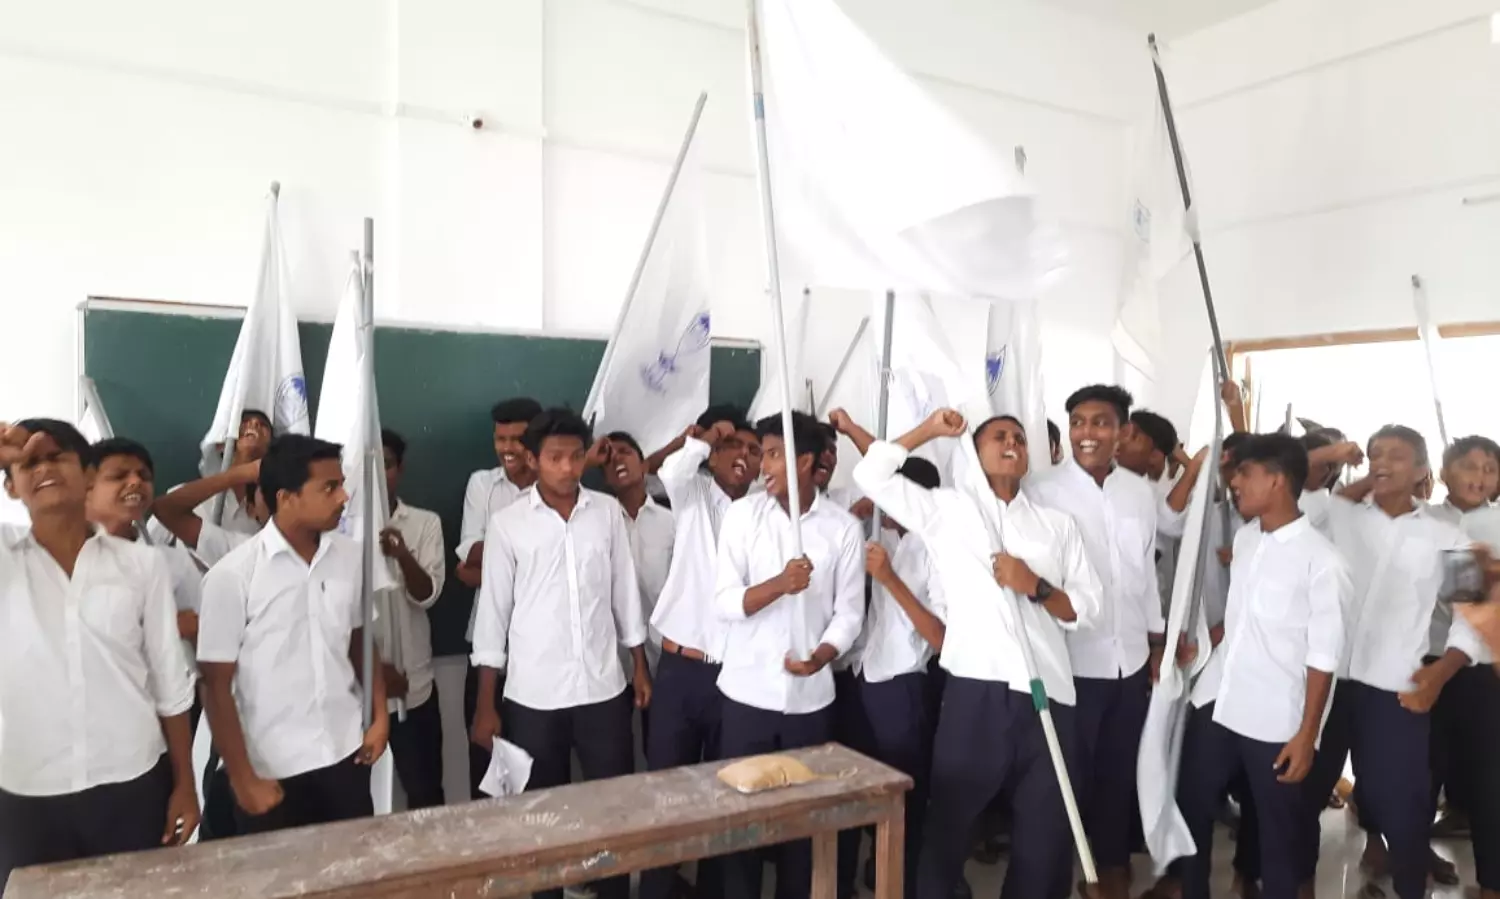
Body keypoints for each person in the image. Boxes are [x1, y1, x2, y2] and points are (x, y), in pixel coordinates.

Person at [853, 409, 1102, 899]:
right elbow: (871, 475)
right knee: (948, 827)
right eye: (999, 436)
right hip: (976, 691)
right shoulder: (948, 511)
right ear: (974, 451)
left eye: (1019, 438)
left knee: (1045, 836)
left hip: (1049, 693)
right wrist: (928, 430)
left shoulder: (1056, 526)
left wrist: (1035, 585)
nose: (1012, 443)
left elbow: (1087, 608)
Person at [0, 420, 198, 889]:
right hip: (28, 791)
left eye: (57, 456)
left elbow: (170, 683)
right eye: (29, 463)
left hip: (132, 781)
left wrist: (185, 784)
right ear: (10, 486)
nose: (44, 468)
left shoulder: (141, 564)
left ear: (87, 475)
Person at [469, 409, 648, 899]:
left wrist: (638, 664)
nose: (567, 468)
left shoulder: (606, 513)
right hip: (534, 695)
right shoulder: (508, 525)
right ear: (533, 459)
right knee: (541, 817)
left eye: (575, 456)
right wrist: (486, 704)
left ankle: (612, 892)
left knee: (611, 808)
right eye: (555, 458)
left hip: (602, 688)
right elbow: (493, 616)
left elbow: (624, 594)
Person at [1299, 425, 1476, 899]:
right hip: (1324, 681)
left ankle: (1411, 887)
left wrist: (1439, 673)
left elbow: (1474, 615)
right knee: (1304, 791)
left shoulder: (1449, 536)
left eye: (1396, 456)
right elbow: (1297, 477)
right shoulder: (1340, 515)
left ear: (1422, 471)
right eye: (1376, 454)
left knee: (1403, 801)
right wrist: (1339, 454)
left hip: (1395, 686)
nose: (1381, 462)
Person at [1174, 433, 1350, 899]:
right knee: (1191, 801)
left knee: (1277, 831)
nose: (1234, 483)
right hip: (1220, 698)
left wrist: (1307, 736)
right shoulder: (1247, 538)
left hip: (1275, 716)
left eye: (1244, 474)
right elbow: (1243, 618)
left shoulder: (1322, 561)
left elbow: (1323, 656)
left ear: (1277, 480)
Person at [197, 435, 388, 835]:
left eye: (341, 485)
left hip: (344, 755)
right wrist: (243, 779)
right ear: (286, 498)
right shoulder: (232, 577)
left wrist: (380, 716)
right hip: (270, 771)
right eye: (329, 488)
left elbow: (360, 640)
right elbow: (215, 686)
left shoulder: (350, 558)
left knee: (353, 867)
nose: (344, 497)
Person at [714, 411, 864, 899]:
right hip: (746, 695)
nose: (763, 465)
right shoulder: (742, 517)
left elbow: (849, 614)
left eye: (774, 454)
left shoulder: (842, 529)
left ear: (805, 461)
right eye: (763, 454)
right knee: (741, 824)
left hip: (810, 700)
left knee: (803, 825)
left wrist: (822, 655)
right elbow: (725, 602)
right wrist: (781, 584)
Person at [1028, 384, 1161, 899]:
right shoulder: (1042, 491)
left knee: (1117, 772)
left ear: (1123, 431)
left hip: (1129, 660)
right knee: (1064, 776)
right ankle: (1061, 872)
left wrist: (1155, 641)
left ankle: (1110, 868)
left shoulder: (1139, 492)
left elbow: (1145, 577)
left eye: (1101, 422)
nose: (1087, 433)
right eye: (1078, 422)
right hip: (1071, 661)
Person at [639, 408, 760, 899]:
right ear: (713, 455)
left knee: (729, 795)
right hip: (682, 672)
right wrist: (706, 437)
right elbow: (671, 470)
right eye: (734, 446)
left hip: (738, 676)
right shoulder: (692, 495)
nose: (744, 456)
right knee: (666, 796)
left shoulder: (764, 514)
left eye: (754, 450)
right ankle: (656, 891)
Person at [831, 409, 947, 899]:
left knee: (903, 795)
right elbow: (873, 460)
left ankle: (897, 883)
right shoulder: (880, 532)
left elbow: (941, 637)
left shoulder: (936, 550)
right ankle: (850, 880)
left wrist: (890, 579)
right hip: (859, 676)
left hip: (902, 685)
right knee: (853, 788)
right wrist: (849, 427)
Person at [457, 397, 541, 799]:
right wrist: (528, 558)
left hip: (538, 653)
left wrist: (490, 565)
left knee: (536, 766)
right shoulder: (482, 484)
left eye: (517, 439)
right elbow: (468, 553)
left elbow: (476, 565)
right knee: (485, 764)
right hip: (486, 646)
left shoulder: (555, 489)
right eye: (500, 439)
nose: (507, 448)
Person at [376, 429, 447, 810]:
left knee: (425, 794)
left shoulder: (424, 523)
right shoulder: (336, 528)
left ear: (399, 469)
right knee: (353, 805)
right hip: (357, 692)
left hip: (413, 686)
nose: (377, 473)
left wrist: (403, 555)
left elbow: (427, 595)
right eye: (369, 465)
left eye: (385, 464)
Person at [85, 438, 207, 659]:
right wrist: (164, 629)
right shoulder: (62, 559)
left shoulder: (172, 561)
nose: (135, 482)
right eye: (118, 476)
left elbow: (204, 636)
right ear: (85, 489)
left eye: (144, 476)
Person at [148, 409, 274, 544]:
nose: (254, 424)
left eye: (263, 424)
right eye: (244, 421)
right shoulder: (184, 498)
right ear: (222, 445)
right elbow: (145, 546)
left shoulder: (264, 519)